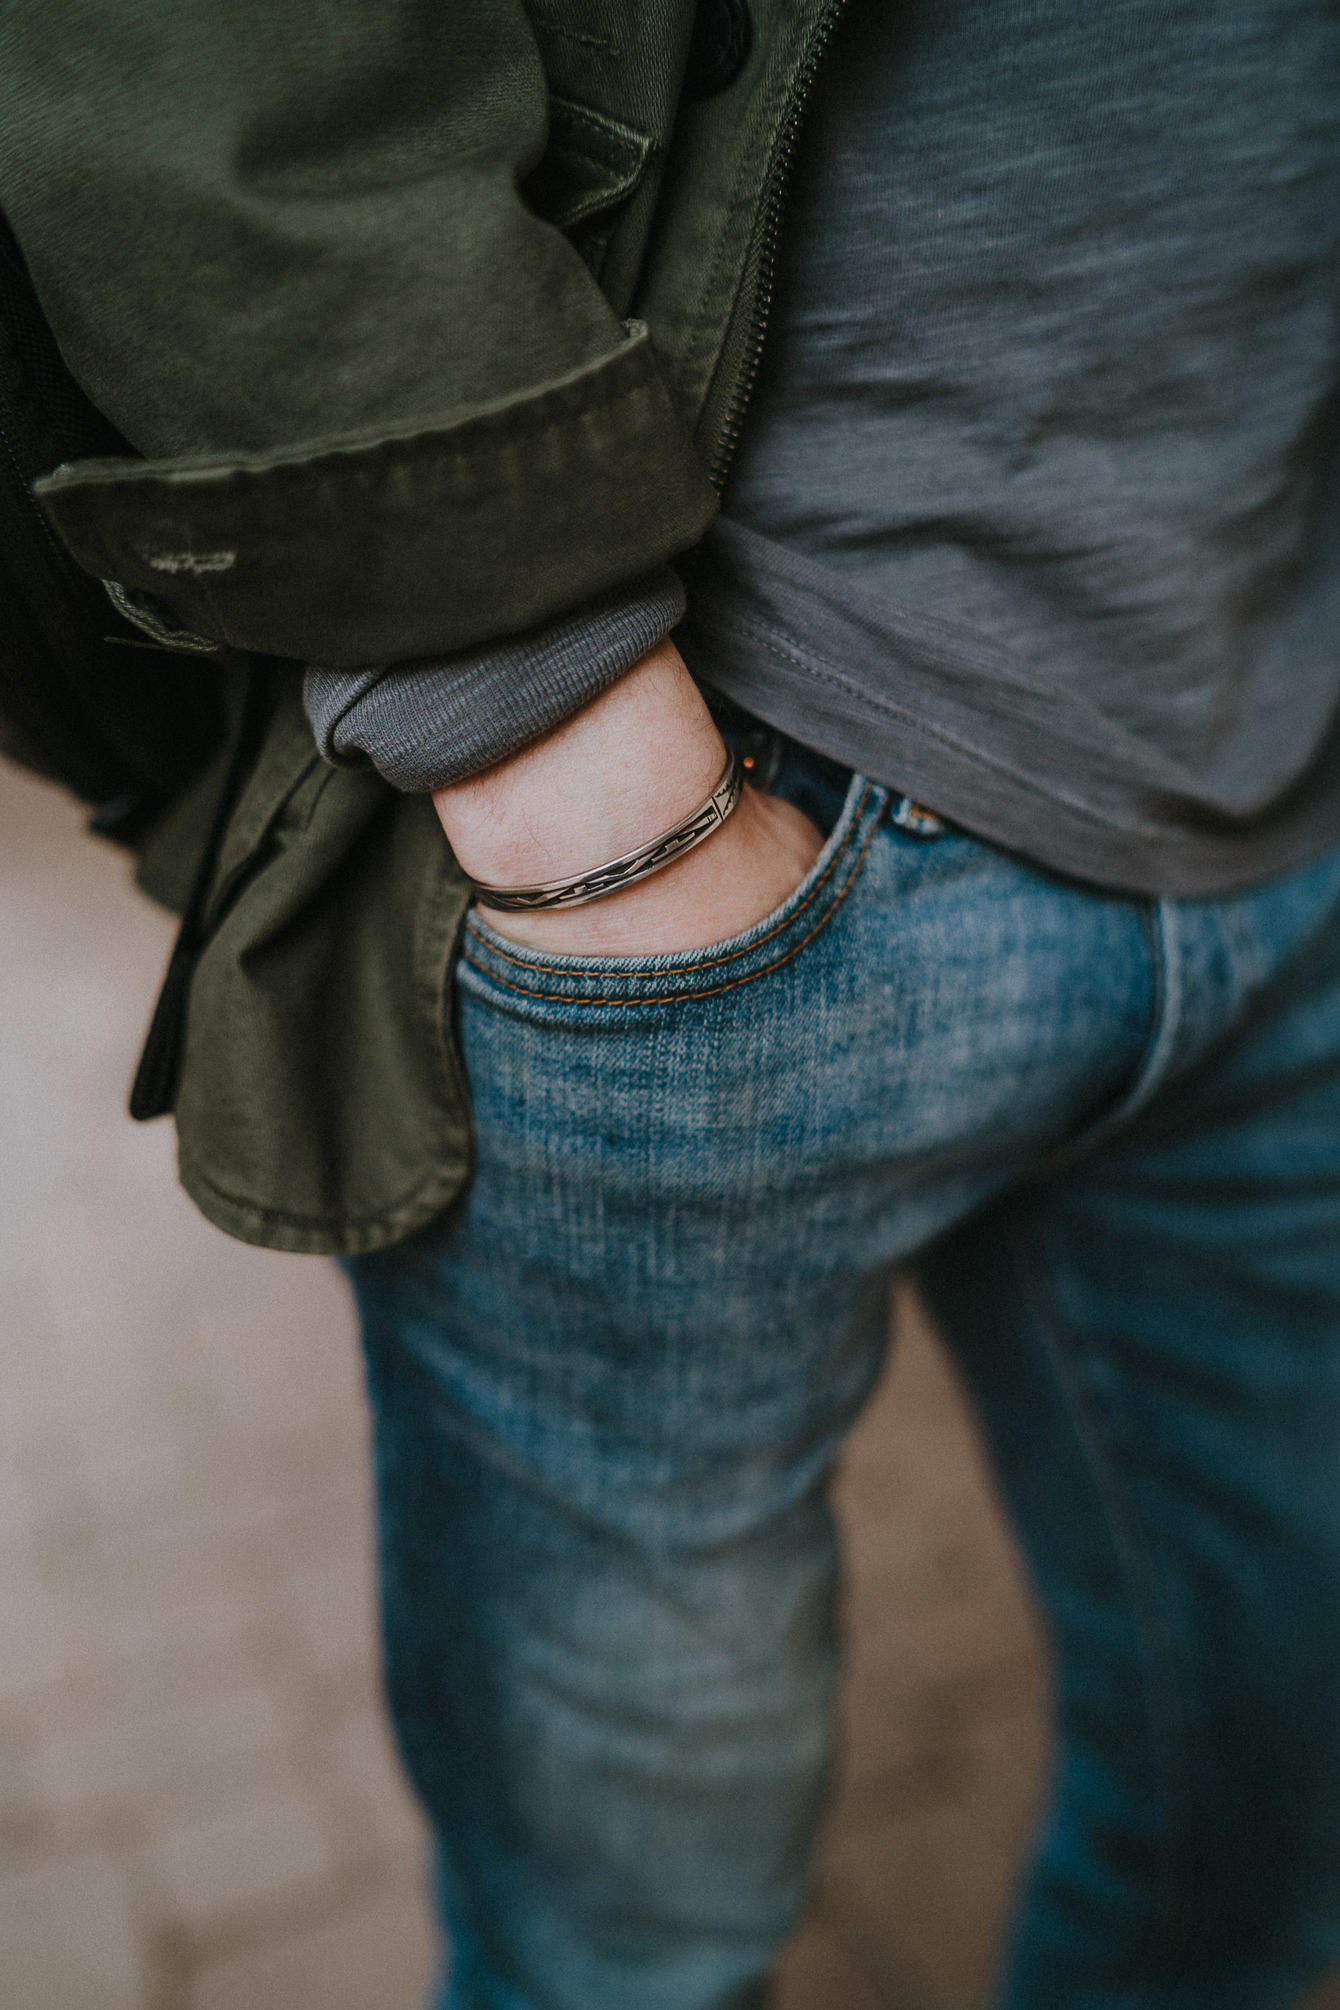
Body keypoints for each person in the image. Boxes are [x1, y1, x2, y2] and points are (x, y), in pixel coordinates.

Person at [3, 2, 1340, 2004]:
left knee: (1268, 1833)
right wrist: (540, 722)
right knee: (623, 1944)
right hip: (719, 820)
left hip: (1280, 754)